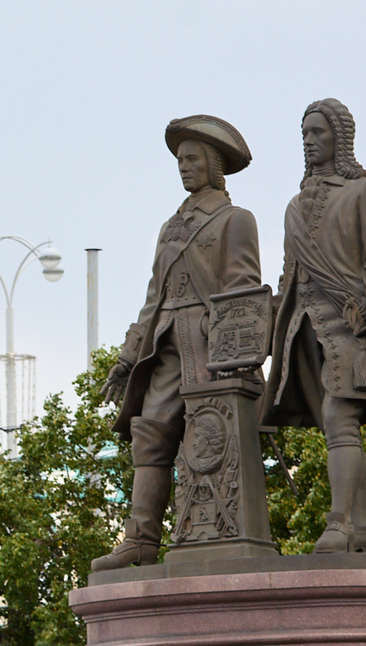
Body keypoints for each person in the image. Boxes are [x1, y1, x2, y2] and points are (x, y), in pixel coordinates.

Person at [97, 113, 261, 570]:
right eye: (180, 161)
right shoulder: (170, 227)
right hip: (165, 342)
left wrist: (232, 347)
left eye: (192, 159)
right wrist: (128, 356)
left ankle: (220, 533)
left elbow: (244, 289)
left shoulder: (235, 220)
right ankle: (140, 538)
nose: (184, 167)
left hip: (209, 344)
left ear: (214, 165)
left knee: (211, 436)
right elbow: (154, 297)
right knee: (150, 432)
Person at [263, 98, 366, 555]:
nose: (309, 141)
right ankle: (361, 528)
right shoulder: (293, 208)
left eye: (318, 132)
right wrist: (263, 333)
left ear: (340, 138)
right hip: (302, 334)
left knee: (338, 417)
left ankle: (341, 524)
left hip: (351, 325)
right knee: (336, 426)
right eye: (305, 134)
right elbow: (288, 278)